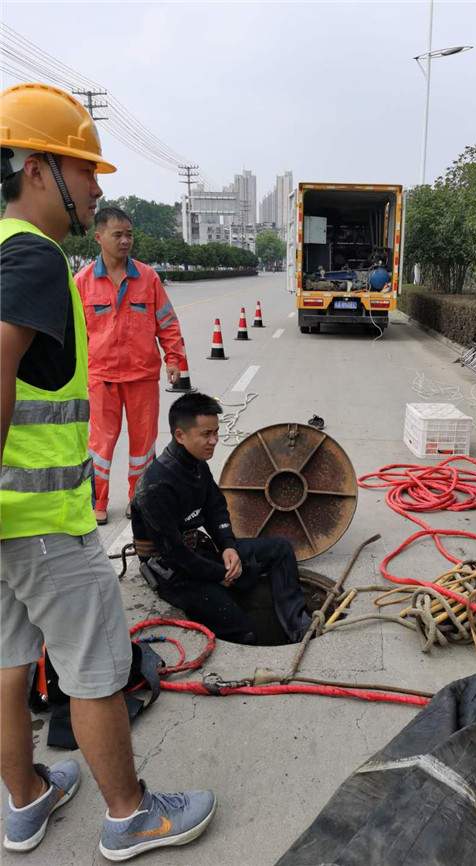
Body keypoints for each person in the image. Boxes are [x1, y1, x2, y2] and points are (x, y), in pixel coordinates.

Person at [0, 82, 215, 860]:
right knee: (95, 665)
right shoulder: (32, 254)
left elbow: (162, 326)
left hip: (11, 518)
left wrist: (181, 365)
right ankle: (131, 815)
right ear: (35, 168)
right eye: (84, 169)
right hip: (43, 522)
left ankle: (24, 798)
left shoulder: (2, 248)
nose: (96, 188)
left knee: (9, 658)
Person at [131, 392, 312, 645]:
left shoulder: (197, 466)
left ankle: (298, 626)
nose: (214, 440)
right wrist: (219, 574)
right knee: (244, 632)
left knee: (280, 548)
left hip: (200, 553)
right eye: (206, 434)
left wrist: (228, 545)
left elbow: (216, 509)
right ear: (180, 435)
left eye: (216, 432)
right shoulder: (157, 487)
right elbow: (174, 553)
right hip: (174, 572)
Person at [74, 206, 184, 526]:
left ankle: (140, 499)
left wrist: (174, 359)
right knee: (100, 446)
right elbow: (73, 335)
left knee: (143, 446)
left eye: (129, 234)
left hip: (142, 376)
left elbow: (167, 323)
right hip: (101, 376)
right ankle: (98, 501)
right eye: (117, 235)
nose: (125, 241)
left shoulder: (147, 278)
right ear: (99, 237)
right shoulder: (81, 282)